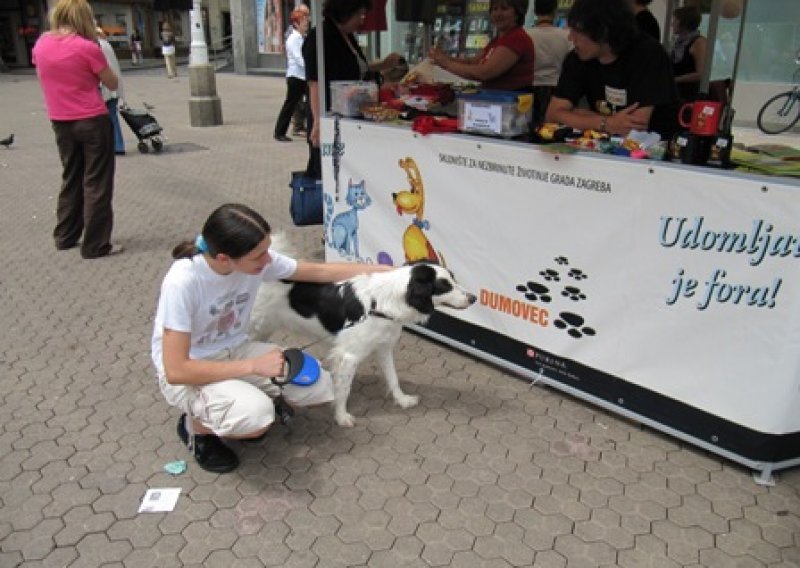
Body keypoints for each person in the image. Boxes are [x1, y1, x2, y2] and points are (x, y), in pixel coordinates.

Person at [151, 203, 392, 473]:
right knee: (255, 418)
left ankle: (241, 398)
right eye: (259, 256)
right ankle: (196, 429)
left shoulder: (255, 262)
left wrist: (387, 273)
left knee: (319, 385)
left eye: (267, 250)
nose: (268, 260)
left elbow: (319, 272)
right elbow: (176, 370)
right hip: (193, 369)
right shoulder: (183, 282)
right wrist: (253, 367)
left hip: (235, 349)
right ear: (223, 259)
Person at [32, 0, 122, 259]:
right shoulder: (87, 47)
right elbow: (112, 83)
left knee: (71, 176)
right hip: (92, 119)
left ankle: (65, 236)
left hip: (60, 120)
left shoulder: (42, 44)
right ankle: (95, 244)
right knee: (97, 182)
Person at [545, 0, 679, 140]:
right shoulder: (578, 58)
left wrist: (580, 115)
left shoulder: (648, 55)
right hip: (603, 146)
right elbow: (552, 115)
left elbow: (633, 127)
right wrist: (606, 122)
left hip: (655, 152)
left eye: (577, 31)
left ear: (602, 31)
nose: (570, 37)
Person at [302, 0, 403, 179]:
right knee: (329, 173)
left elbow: (358, 67)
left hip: (351, 116)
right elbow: (314, 82)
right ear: (345, 12)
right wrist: (318, 122)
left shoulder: (347, 36)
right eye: (360, 15)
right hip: (330, 117)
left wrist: (384, 65)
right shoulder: (320, 38)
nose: (362, 20)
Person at [428, 0, 534, 92]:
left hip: (509, 104)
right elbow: (473, 62)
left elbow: (484, 72)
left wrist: (446, 63)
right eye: (494, 9)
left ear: (517, 13)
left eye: (504, 9)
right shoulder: (497, 40)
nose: (497, 14)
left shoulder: (516, 38)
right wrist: (443, 58)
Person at [527, 0, 571, 124]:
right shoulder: (566, 36)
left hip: (531, 91)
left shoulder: (526, 35)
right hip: (558, 92)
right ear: (555, 11)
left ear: (535, 11)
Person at [273, 7, 309, 142]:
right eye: (304, 21)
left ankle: (303, 127)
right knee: (290, 105)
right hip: (296, 77)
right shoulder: (294, 39)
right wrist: (311, 67)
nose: (306, 24)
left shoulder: (301, 38)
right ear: (296, 23)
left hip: (301, 76)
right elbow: (299, 59)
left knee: (306, 103)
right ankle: (279, 132)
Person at [96, 27, 125, 155]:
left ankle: (110, 145)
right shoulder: (106, 45)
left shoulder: (96, 46)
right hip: (113, 86)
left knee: (102, 119)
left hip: (104, 87)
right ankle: (118, 145)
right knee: (113, 117)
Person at [670, 5, 707, 103]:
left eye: (675, 20)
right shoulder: (678, 42)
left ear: (684, 22)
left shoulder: (699, 42)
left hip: (688, 96)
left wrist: (675, 80)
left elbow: (700, 74)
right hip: (675, 94)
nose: (672, 24)